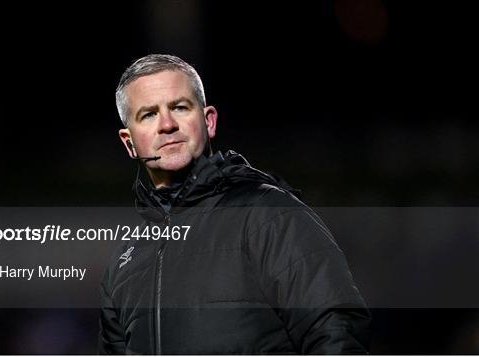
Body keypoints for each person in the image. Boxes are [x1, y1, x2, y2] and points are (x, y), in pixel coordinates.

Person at [99, 54, 371, 354]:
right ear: (129, 142)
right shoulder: (124, 262)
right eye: (148, 114)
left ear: (208, 121)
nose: (167, 124)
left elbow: (336, 332)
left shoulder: (269, 215)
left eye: (179, 107)